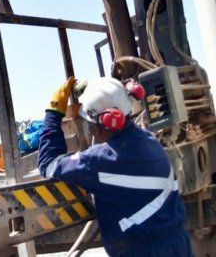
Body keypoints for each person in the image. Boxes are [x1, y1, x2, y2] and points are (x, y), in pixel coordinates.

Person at [37, 76, 193, 257]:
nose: (90, 129)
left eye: (91, 124)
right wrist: (96, 90)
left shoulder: (100, 161)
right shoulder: (150, 141)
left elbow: (48, 164)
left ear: (106, 121)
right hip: (178, 244)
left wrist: (53, 113)